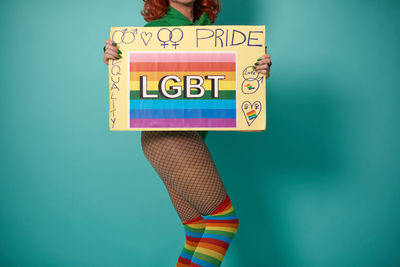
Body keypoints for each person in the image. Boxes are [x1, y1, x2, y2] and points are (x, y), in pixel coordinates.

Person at [103, 0, 272, 266]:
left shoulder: (217, 37)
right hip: (167, 138)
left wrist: (256, 72)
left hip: (181, 140)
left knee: (196, 231)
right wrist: (115, 57)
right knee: (223, 223)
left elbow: (234, 94)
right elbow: (131, 80)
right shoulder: (154, 32)